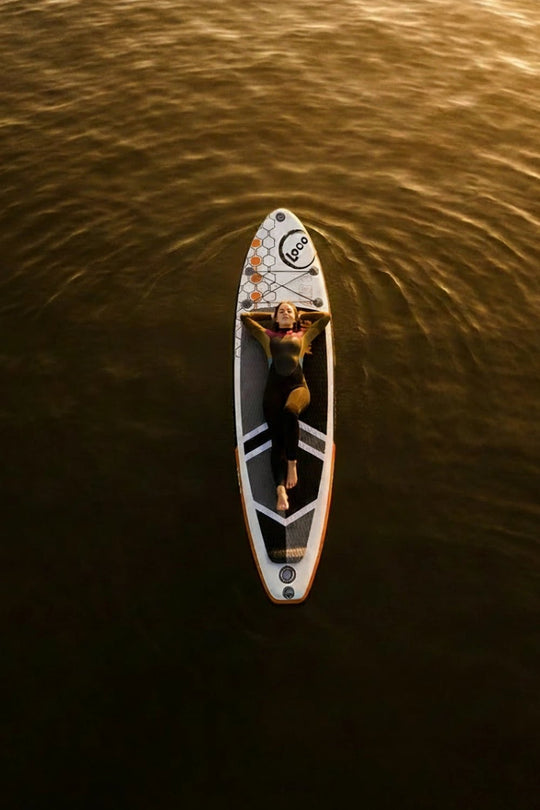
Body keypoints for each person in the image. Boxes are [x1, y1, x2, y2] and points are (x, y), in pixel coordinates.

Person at [240, 301, 331, 512]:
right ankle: (280, 489)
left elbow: (325, 316)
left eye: (289, 310)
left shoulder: (303, 335)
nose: (285, 312)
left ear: (296, 317)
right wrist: (271, 316)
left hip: (298, 388)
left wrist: (298, 316)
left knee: (290, 412)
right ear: (275, 318)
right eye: (281, 311)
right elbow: (246, 318)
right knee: (276, 440)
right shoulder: (267, 336)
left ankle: (292, 463)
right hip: (273, 393)